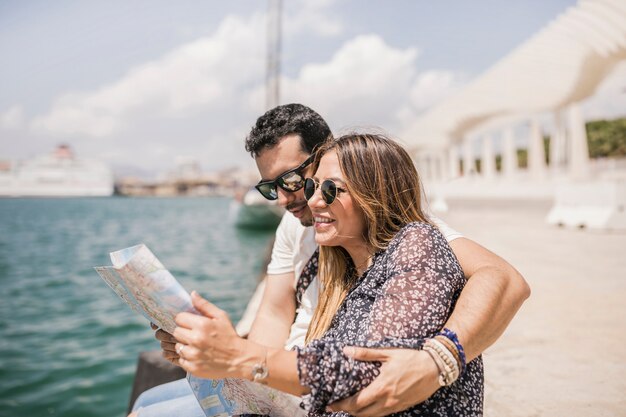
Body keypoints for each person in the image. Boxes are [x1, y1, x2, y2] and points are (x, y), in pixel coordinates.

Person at [130, 104, 529, 416]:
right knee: (148, 404)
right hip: (290, 385)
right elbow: (273, 315)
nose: (289, 198)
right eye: (272, 188)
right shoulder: (308, 233)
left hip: (315, 388)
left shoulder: (410, 236)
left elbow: (503, 279)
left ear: (328, 157)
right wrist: (222, 357)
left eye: (293, 180)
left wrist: (439, 359)